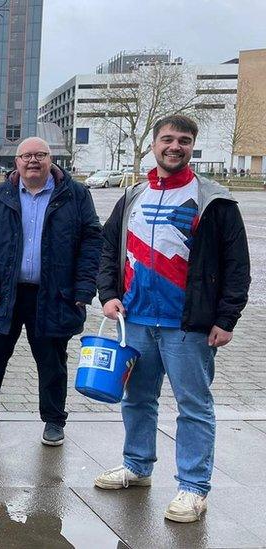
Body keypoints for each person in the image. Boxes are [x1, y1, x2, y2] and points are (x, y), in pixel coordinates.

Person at [94, 114, 250, 523]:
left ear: (191, 145)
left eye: (183, 140)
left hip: (188, 326)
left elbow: (237, 265)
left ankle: (193, 488)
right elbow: (109, 248)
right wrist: (108, 295)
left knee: (194, 406)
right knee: (137, 400)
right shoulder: (133, 196)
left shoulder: (213, 200)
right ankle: (137, 466)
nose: (174, 146)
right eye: (167, 139)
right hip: (137, 321)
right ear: (154, 144)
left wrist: (227, 318)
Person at [0, 137, 102, 445]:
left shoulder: (76, 195)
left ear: (51, 159)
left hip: (54, 293)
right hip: (4, 293)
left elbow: (92, 241)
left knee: (52, 361)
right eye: (26, 156)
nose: (33, 161)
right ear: (16, 162)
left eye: (40, 155)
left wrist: (83, 288)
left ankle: (54, 420)